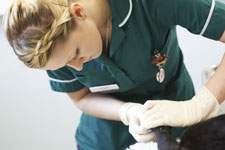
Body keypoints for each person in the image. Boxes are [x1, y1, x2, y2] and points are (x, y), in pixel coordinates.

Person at [3, 0, 225, 149]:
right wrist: (127, 112)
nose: (78, 68)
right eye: (67, 65)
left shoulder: (149, 4)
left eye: (76, 54)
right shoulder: (53, 48)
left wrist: (199, 106)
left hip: (177, 110)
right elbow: (81, 97)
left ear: (79, 12)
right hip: (103, 138)